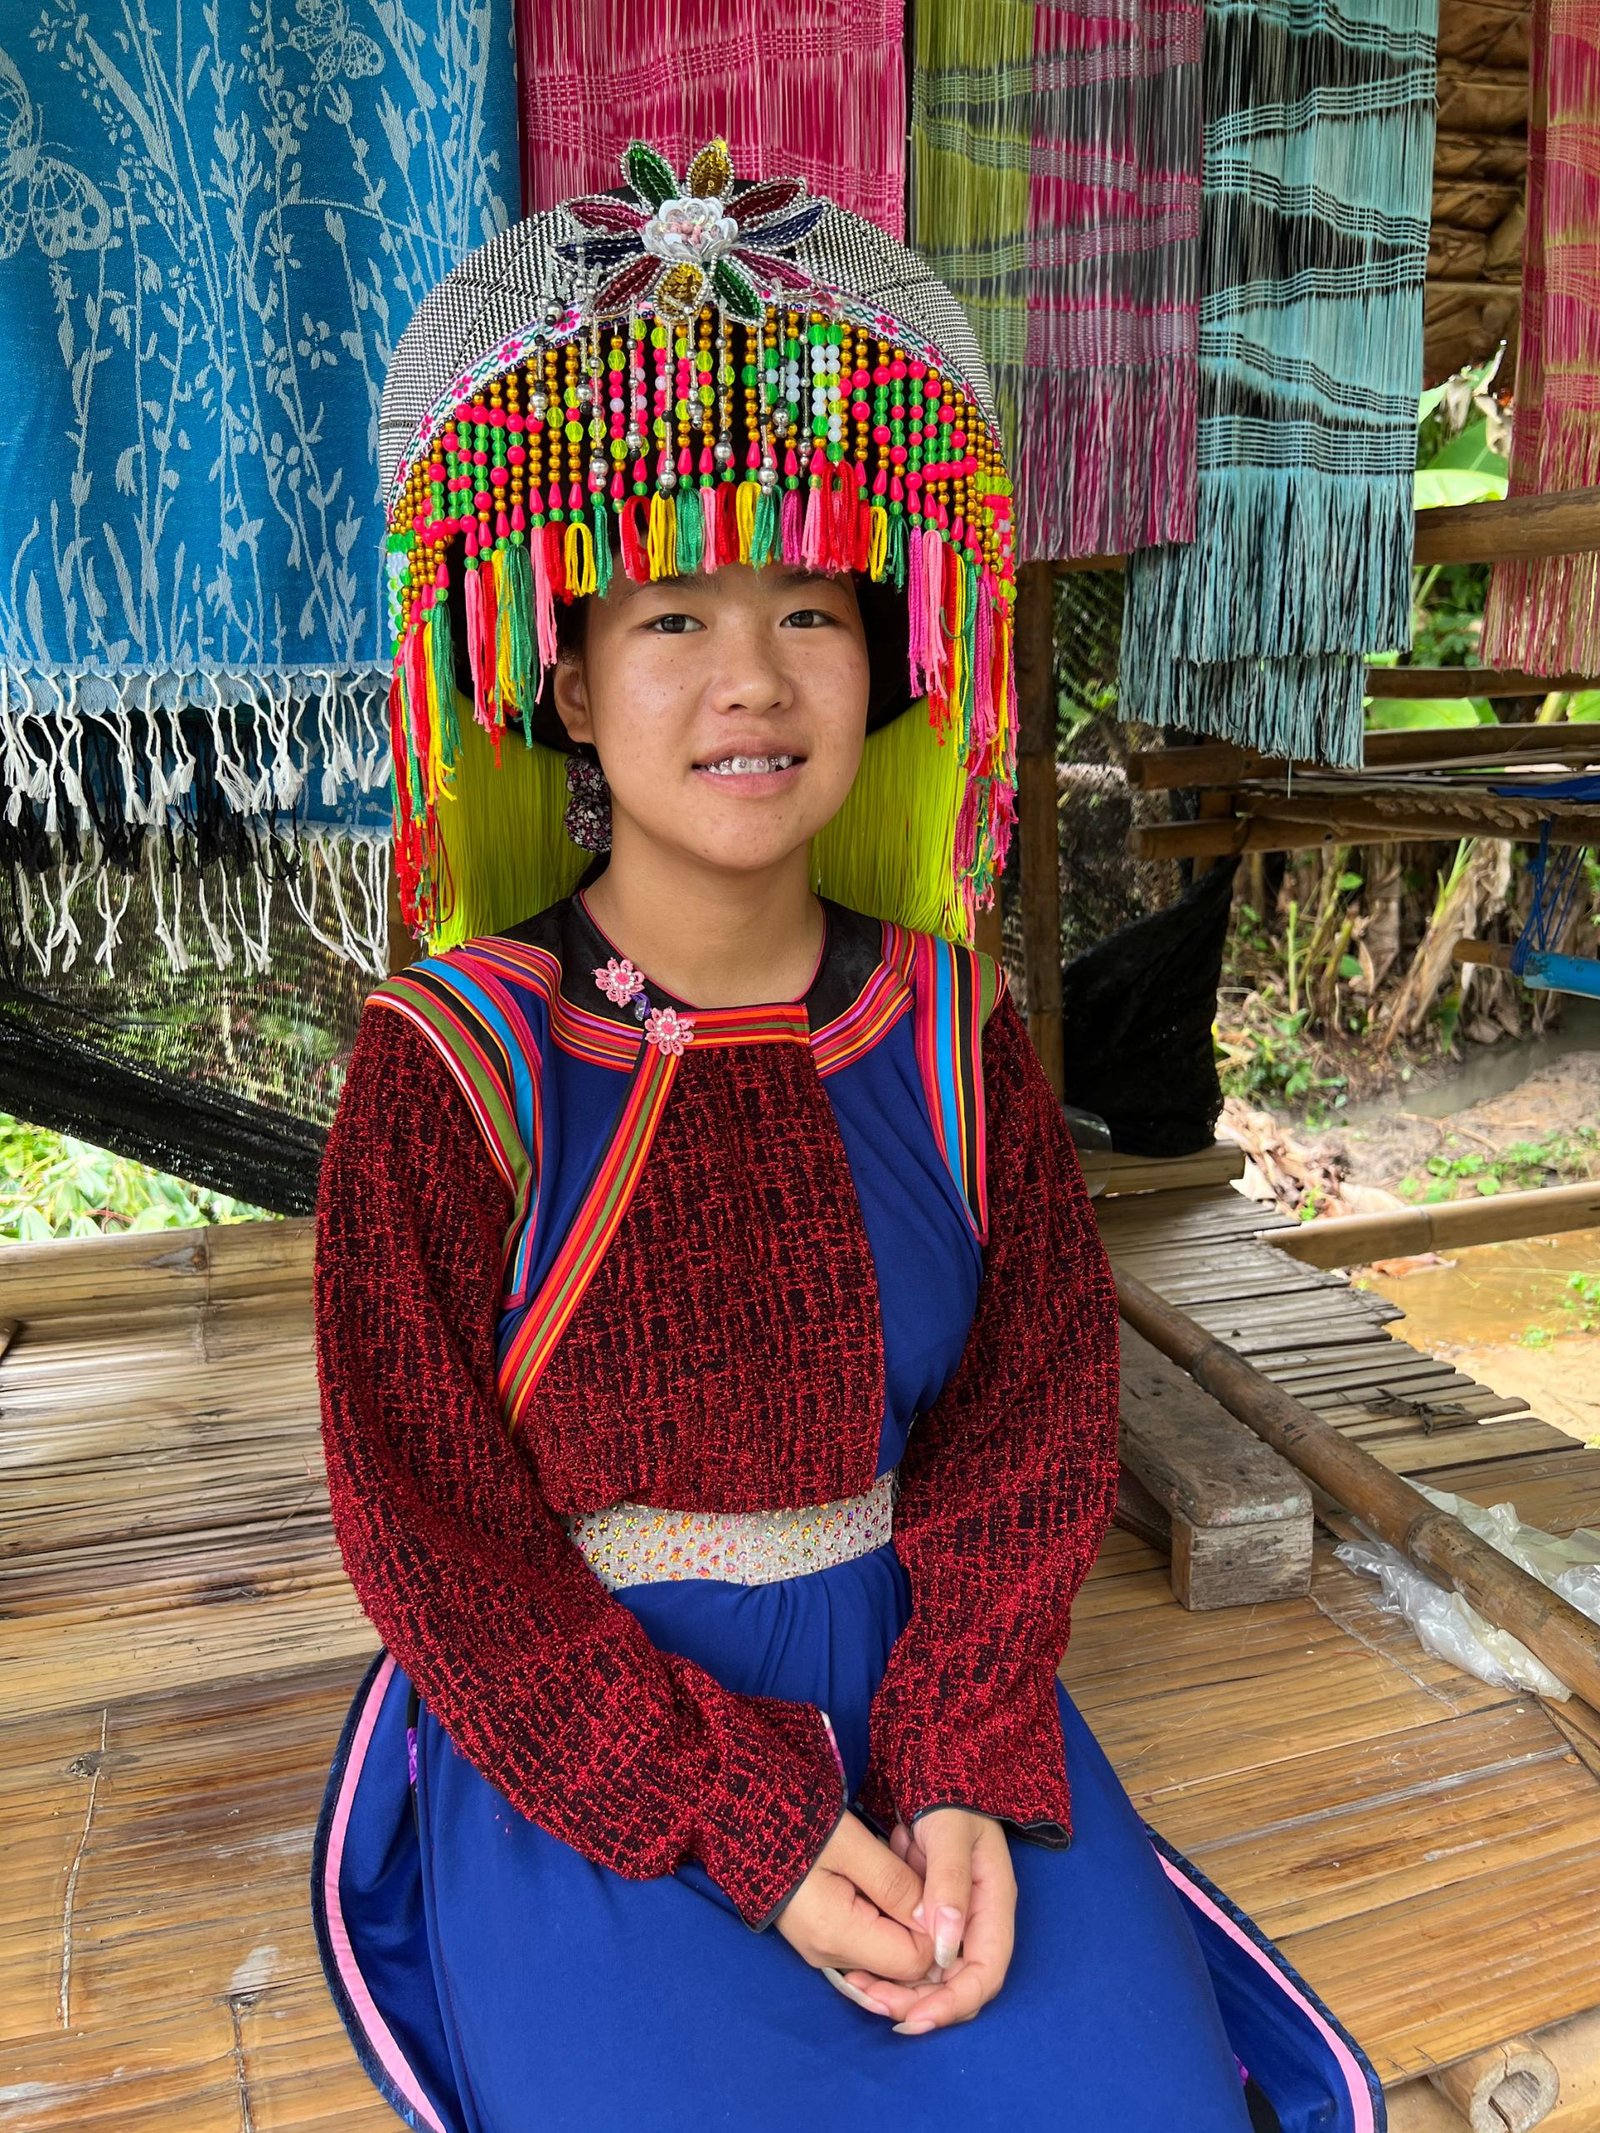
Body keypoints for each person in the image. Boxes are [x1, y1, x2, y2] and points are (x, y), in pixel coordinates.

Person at [311, 140, 1384, 2133]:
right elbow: (425, 1530)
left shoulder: (950, 1025)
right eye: (669, 619)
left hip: (933, 1696)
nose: (750, 678)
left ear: (883, 657)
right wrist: (747, 1820)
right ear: (564, 676)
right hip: (593, 1752)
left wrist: (965, 1747)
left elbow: (1030, 1415)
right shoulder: (452, 1060)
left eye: (809, 604)